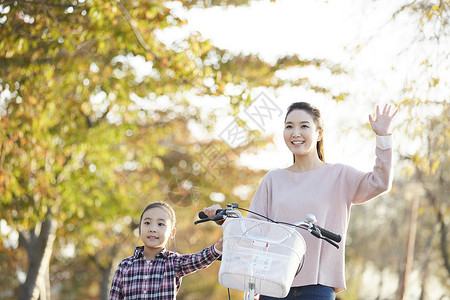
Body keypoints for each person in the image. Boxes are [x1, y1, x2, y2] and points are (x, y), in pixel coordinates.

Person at [204, 102, 398, 300]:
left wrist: (383, 137)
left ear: (319, 133)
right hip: (272, 283)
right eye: (289, 126)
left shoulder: (339, 175)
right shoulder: (273, 179)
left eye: (304, 126)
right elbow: (253, 231)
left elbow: (380, 183)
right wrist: (224, 220)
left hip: (318, 287)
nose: (295, 132)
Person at [109, 201, 223, 300]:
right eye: (147, 223)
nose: (153, 229)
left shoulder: (173, 262)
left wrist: (217, 248)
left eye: (160, 224)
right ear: (140, 229)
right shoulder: (125, 266)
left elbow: (199, 259)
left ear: (172, 233)